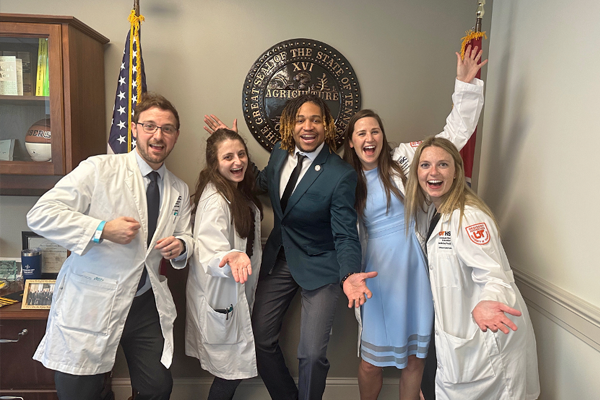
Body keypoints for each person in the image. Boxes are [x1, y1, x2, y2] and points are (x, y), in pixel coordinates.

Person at [203, 94, 377, 400]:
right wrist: (230, 147)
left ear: (326, 125)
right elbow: (262, 183)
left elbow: (346, 233)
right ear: (289, 125)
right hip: (280, 260)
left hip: (322, 265)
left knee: (311, 355)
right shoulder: (280, 154)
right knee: (259, 337)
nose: (307, 127)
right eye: (300, 120)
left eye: (315, 119)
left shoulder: (340, 175)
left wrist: (350, 272)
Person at [26, 93, 193, 400]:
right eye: (150, 126)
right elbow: (41, 215)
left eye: (167, 129)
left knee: (157, 388)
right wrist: (101, 229)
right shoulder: (99, 169)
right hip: (93, 299)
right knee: (80, 392)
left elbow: (187, 235)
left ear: (176, 136)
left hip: (144, 304)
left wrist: (181, 245)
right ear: (134, 128)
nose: (158, 135)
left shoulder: (178, 189)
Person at [342, 46, 486, 400]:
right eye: (361, 133)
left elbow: (449, 139)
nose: (369, 138)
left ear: (382, 135)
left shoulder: (404, 159)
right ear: (351, 141)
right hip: (374, 272)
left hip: (414, 267)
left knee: (414, 359)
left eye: (374, 131)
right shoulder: (345, 180)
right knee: (370, 362)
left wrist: (464, 87)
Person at [404, 137, 540, 399]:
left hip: (486, 340)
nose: (433, 172)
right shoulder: (438, 213)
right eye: (425, 165)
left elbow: (495, 276)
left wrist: (488, 302)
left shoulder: (469, 217)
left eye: (442, 164)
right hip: (456, 336)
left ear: (456, 172)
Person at [185, 128, 263, 400]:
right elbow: (209, 251)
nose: (237, 162)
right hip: (223, 296)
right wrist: (229, 257)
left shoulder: (236, 191)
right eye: (228, 157)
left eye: (241, 154)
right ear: (215, 163)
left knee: (231, 372)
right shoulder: (215, 199)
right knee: (230, 374)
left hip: (235, 294)